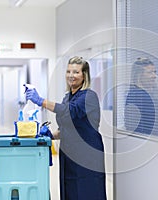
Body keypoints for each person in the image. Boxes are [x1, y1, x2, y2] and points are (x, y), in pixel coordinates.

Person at [25, 56, 107, 200]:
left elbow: (70, 111)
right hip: (69, 154)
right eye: (68, 71)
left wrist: (41, 101)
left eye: (76, 72)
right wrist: (51, 135)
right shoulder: (67, 97)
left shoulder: (89, 96)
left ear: (84, 75)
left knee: (87, 192)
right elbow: (67, 127)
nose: (71, 76)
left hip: (87, 155)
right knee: (69, 190)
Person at [124, 57, 158, 135]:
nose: (154, 76)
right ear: (138, 75)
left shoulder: (134, 93)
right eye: (150, 72)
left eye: (155, 72)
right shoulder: (140, 96)